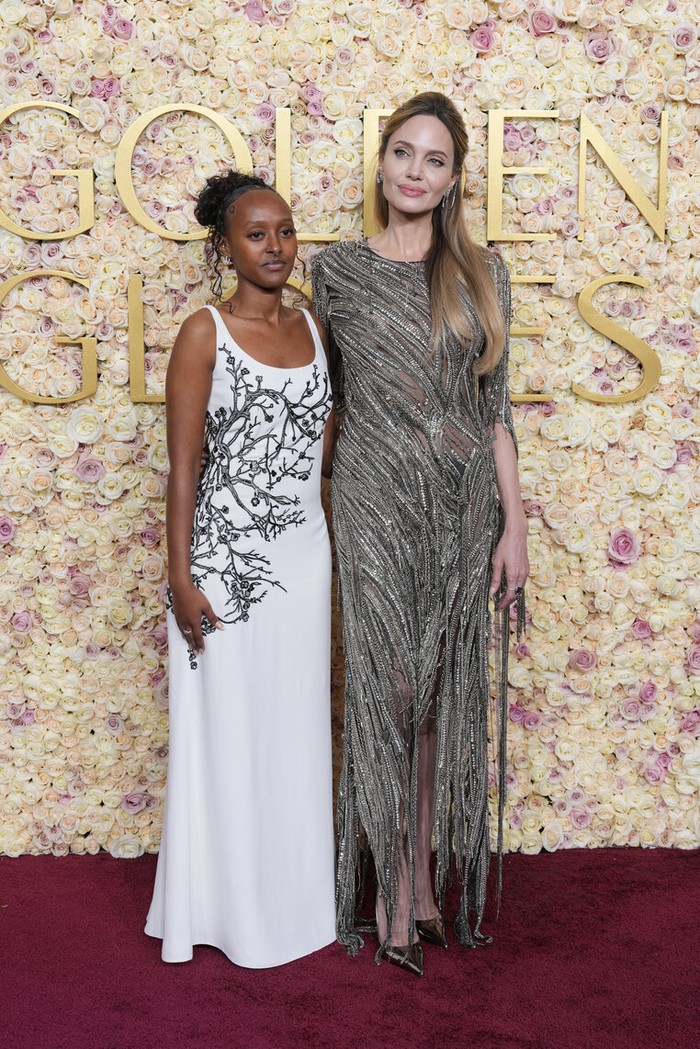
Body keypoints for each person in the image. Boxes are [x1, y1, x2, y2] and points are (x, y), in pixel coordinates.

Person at [311, 92, 529, 977]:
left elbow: (497, 410)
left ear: (453, 179)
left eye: (433, 160)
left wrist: (515, 525)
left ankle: (428, 883)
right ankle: (392, 890)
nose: (414, 170)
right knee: (392, 689)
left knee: (439, 698)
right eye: (403, 152)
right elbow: (317, 402)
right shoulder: (335, 272)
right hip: (370, 500)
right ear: (383, 162)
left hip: (463, 504)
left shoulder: (483, 272)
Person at [145, 171, 336, 967]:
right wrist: (181, 575)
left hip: (303, 557)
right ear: (222, 245)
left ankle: (292, 905)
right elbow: (182, 467)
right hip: (223, 567)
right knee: (225, 732)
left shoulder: (318, 329)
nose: (275, 248)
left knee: (292, 730)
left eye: (285, 231)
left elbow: (322, 450)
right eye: (256, 234)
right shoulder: (204, 332)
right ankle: (222, 910)